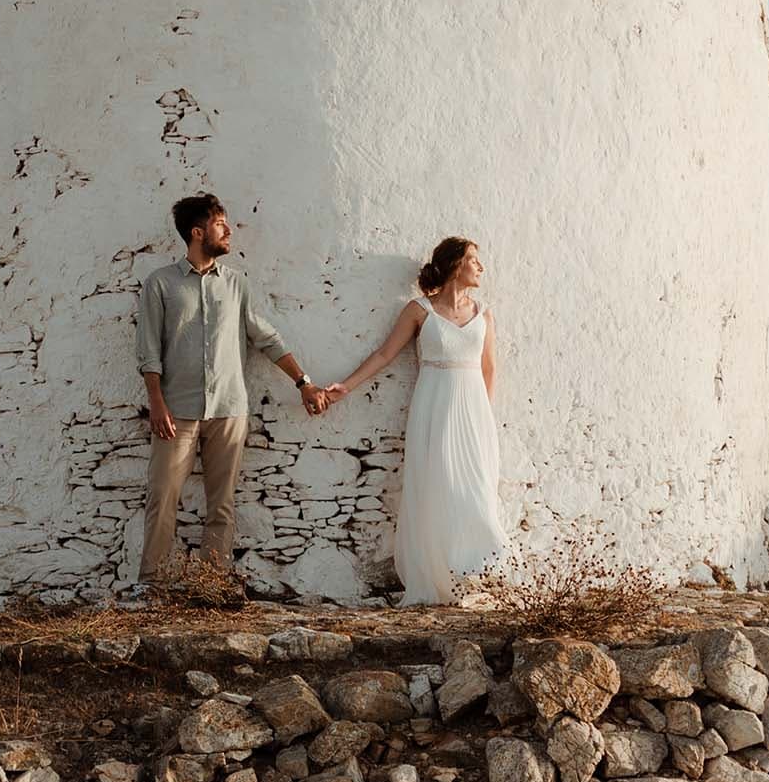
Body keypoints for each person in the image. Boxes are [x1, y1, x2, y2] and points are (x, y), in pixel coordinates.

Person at [135, 193, 331, 589]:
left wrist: (304, 382)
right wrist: (157, 403)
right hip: (177, 411)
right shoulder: (161, 284)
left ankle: (213, 586)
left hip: (229, 409)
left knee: (221, 505)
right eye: (220, 223)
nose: (229, 230)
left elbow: (265, 337)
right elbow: (148, 350)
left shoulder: (236, 284)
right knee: (163, 499)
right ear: (197, 232)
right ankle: (151, 586)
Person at [318, 236, 507, 604]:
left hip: (472, 411)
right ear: (455, 265)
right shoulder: (420, 311)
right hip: (433, 406)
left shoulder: (483, 314)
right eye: (473, 260)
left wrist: (483, 417)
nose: (480, 267)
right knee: (435, 488)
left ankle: (471, 573)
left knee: (476, 489)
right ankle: (438, 581)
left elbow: (490, 369)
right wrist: (346, 386)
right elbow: (385, 354)